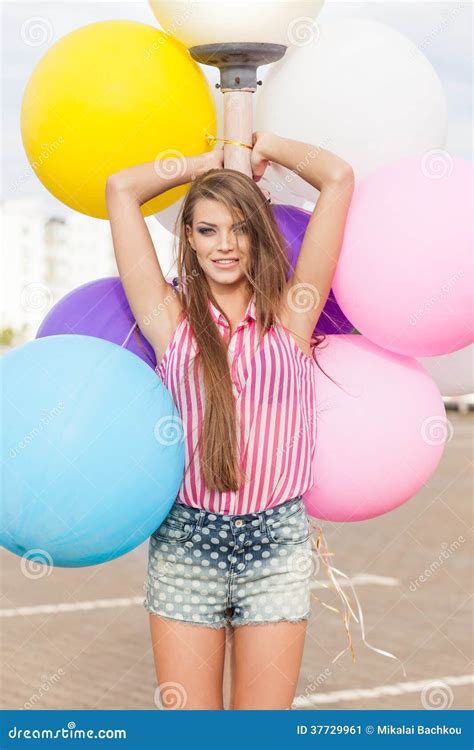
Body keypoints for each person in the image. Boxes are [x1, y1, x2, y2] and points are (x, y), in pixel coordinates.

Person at [105, 131, 355, 710]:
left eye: (240, 228)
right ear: (188, 240)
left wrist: (262, 143)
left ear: (258, 236)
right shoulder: (168, 320)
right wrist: (207, 163)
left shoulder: (294, 314)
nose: (225, 245)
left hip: (276, 545)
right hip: (188, 544)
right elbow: (121, 189)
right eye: (207, 229)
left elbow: (338, 176)